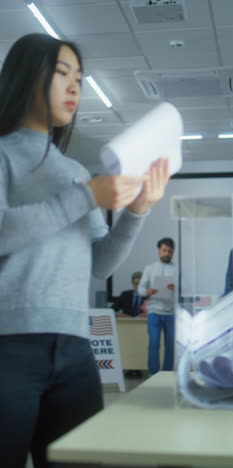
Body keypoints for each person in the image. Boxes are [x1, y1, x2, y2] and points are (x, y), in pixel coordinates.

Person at [0, 33, 170, 468]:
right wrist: (85, 197)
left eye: (79, 77)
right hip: (9, 347)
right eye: (62, 74)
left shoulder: (77, 172)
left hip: (76, 351)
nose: (75, 87)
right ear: (25, 77)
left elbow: (100, 263)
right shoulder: (4, 157)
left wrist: (136, 212)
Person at [138, 237, 176, 375]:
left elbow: (185, 288)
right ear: (159, 251)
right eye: (164, 250)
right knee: (154, 343)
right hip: (154, 311)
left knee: (170, 345)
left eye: (170, 251)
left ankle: (167, 373)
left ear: (173, 252)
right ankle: (153, 373)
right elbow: (140, 289)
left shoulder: (177, 269)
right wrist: (147, 291)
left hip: (171, 313)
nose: (167, 254)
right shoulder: (150, 268)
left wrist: (176, 288)